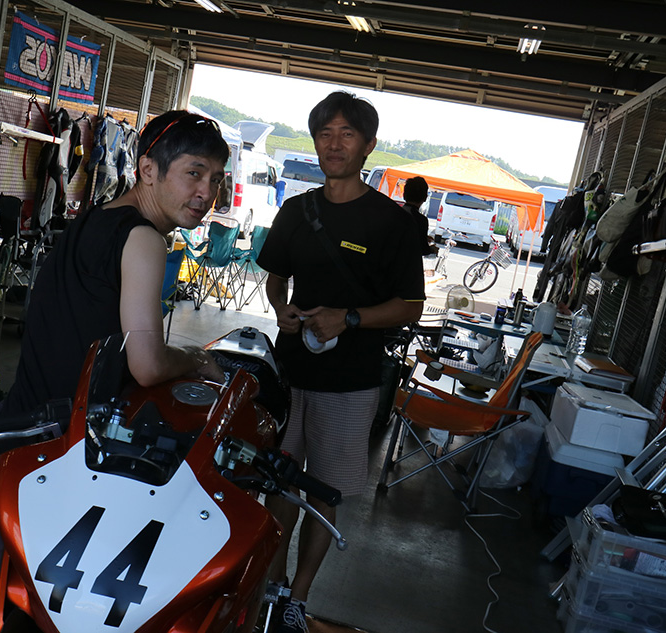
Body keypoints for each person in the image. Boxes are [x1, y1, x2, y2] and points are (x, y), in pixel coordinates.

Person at [0, 110, 229, 633]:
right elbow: (147, 364)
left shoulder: (90, 219)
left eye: (216, 179)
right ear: (148, 170)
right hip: (68, 449)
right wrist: (196, 359)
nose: (206, 192)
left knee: (0, 577)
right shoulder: (144, 238)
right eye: (194, 173)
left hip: (21, 431)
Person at [256, 91, 425, 633]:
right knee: (278, 482)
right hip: (289, 373)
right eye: (325, 133)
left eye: (346, 134)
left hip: (350, 382)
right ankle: (272, 586)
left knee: (323, 490)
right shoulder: (295, 210)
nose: (334, 144)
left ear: (368, 145)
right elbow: (276, 276)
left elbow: (411, 306)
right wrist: (280, 308)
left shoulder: (391, 222)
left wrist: (348, 318)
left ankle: (298, 598)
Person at [402, 175, 438, 256]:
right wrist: (432, 249)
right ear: (425, 198)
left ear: (404, 195)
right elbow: (423, 249)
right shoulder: (421, 220)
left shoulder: (394, 213)